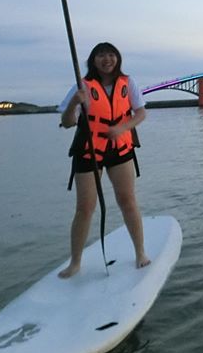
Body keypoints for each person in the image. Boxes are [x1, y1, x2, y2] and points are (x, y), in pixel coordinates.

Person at [57, 42, 149, 278]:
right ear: (93, 60)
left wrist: (122, 128)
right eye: (101, 56)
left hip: (120, 149)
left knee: (127, 200)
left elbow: (140, 112)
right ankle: (75, 262)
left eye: (111, 55)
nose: (107, 59)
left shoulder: (128, 83)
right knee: (85, 208)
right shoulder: (82, 87)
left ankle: (140, 253)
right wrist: (75, 103)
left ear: (117, 59)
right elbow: (67, 122)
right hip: (89, 151)